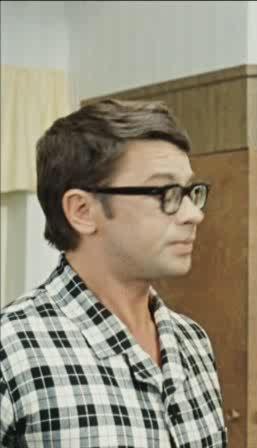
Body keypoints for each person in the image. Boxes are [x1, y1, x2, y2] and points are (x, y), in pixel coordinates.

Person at [0, 99, 227, 447]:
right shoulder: (11, 351)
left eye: (189, 192)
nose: (193, 215)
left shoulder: (192, 341)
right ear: (82, 211)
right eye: (165, 192)